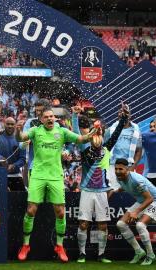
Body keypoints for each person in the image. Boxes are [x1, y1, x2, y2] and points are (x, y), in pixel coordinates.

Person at [16, 108, 96, 262]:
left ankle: (59, 246)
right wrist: (18, 131)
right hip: (38, 174)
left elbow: (80, 139)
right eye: (46, 117)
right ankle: (25, 245)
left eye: (52, 116)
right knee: (31, 210)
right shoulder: (35, 131)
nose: (50, 119)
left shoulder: (62, 131)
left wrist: (91, 135)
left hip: (55, 176)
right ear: (41, 119)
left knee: (60, 212)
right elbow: (21, 138)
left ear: (55, 118)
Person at [71, 105, 128, 263]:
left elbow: (116, 134)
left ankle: (101, 255)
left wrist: (123, 118)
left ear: (102, 134)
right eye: (96, 131)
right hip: (87, 191)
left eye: (100, 131)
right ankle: (82, 254)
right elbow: (76, 133)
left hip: (102, 191)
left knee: (102, 225)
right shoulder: (84, 148)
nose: (98, 133)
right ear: (92, 134)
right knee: (83, 224)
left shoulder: (106, 148)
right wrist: (74, 116)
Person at [111, 158, 156, 266]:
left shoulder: (136, 179)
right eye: (116, 169)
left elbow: (149, 199)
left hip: (154, 200)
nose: (117, 171)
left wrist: (136, 212)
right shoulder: (120, 178)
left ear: (127, 169)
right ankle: (139, 252)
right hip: (142, 201)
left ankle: (151, 255)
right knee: (121, 224)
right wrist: (115, 191)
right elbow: (125, 186)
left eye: (120, 169)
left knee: (140, 225)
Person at [104, 103, 142, 190]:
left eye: (124, 111)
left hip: (128, 167)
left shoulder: (136, 130)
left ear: (129, 114)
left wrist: (132, 167)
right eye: (120, 111)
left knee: (129, 194)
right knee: (113, 192)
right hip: (112, 168)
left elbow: (138, 151)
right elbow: (104, 151)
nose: (122, 113)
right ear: (118, 114)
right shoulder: (109, 131)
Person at [0, 117, 26, 190]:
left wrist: (14, 165)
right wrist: (2, 160)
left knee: (17, 200)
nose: (10, 126)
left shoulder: (20, 138)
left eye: (12, 124)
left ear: (15, 125)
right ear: (4, 124)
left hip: (15, 175)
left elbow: (23, 159)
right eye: (8, 124)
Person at [142, 118, 156, 185]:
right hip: (151, 176)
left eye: (154, 126)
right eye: (150, 127)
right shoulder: (146, 141)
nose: (152, 129)